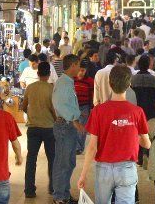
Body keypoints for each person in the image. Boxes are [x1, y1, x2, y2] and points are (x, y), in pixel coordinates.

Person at [78, 65, 151, 204]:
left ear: (110, 84)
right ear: (129, 85)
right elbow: (147, 144)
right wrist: (134, 137)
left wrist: (83, 175)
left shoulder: (98, 111)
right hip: (127, 169)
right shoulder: (137, 111)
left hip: (103, 170)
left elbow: (92, 147)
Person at [52, 54, 86, 204]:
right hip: (65, 126)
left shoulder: (67, 82)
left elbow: (66, 103)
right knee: (63, 162)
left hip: (68, 125)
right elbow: (59, 104)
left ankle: (64, 194)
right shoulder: (63, 83)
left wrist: (76, 117)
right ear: (72, 65)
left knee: (69, 162)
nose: (79, 69)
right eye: (78, 65)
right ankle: (59, 197)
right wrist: (73, 119)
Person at [21, 61, 56, 199]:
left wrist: (32, 112)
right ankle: (52, 188)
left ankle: (29, 190)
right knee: (52, 158)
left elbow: (24, 106)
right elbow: (54, 109)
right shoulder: (51, 89)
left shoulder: (30, 87)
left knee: (31, 159)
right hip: (49, 128)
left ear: (37, 73)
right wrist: (55, 119)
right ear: (49, 74)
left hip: (33, 128)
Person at [132, 54, 155, 121]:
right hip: (152, 113)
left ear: (138, 65)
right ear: (148, 65)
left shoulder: (132, 80)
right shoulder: (154, 79)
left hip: (136, 113)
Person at [75, 64, 95, 154]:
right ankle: (76, 146)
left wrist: (91, 107)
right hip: (74, 106)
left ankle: (79, 147)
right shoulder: (72, 79)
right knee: (75, 126)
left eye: (83, 70)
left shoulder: (90, 81)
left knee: (82, 126)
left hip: (85, 106)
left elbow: (92, 95)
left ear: (86, 71)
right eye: (79, 70)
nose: (80, 72)